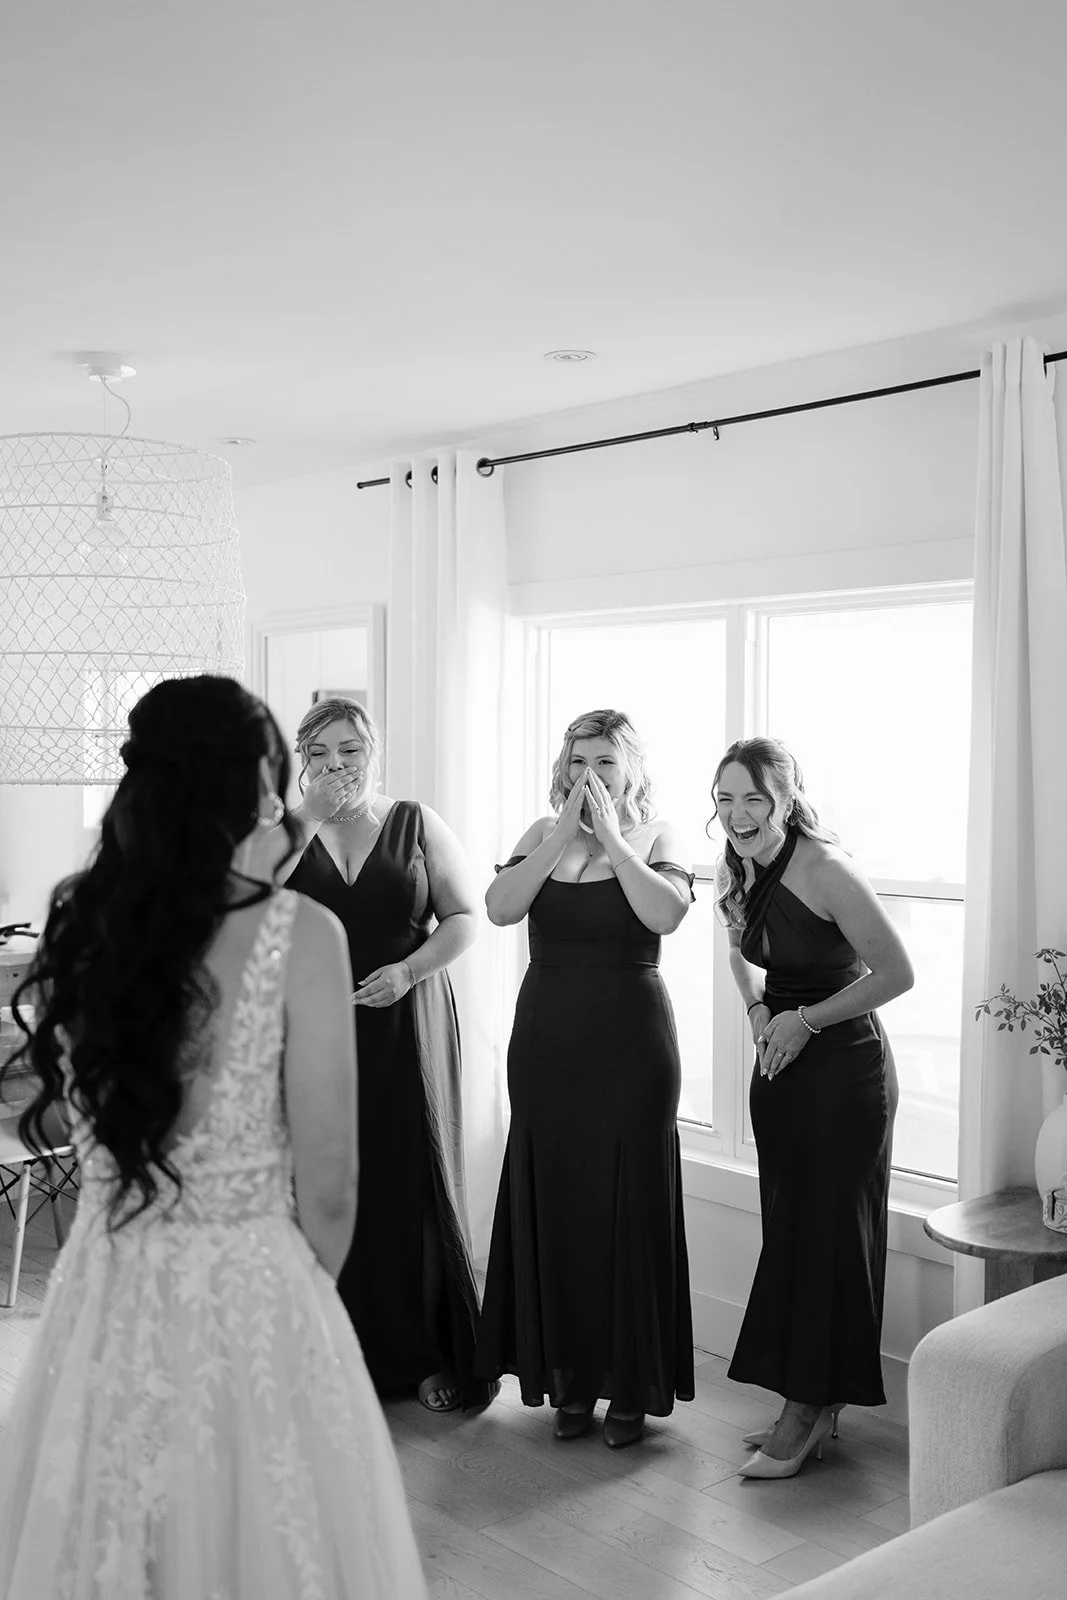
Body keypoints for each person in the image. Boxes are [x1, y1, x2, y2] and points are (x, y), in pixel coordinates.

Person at [0, 675, 428, 1600]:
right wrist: (300, 1316)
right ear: (251, 787)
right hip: (250, 1280)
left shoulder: (83, 922)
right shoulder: (298, 933)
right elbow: (331, 1188)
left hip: (105, 1281)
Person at [475, 708, 695, 1448]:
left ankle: (628, 1388)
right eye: (577, 762)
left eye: (603, 762)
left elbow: (664, 916)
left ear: (629, 767)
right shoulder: (539, 835)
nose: (588, 776)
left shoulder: (657, 836)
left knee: (625, 1204)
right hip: (545, 1038)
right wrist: (562, 835)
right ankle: (568, 1381)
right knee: (559, 1199)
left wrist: (607, 839)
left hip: (630, 1040)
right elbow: (500, 909)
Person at [273, 696, 488, 1413]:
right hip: (311, 1029)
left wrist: (408, 972)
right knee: (324, 1179)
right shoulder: (281, 834)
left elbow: (464, 918)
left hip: (406, 1022)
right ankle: (327, 1350)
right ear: (301, 761)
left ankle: (423, 1355)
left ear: (375, 751)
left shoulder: (415, 822)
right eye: (320, 754)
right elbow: (240, 908)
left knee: (407, 1181)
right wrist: (302, 818)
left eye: (351, 752)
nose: (337, 767)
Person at [711, 736, 913, 1480]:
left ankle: (807, 1412)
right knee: (794, 1235)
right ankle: (809, 1402)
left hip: (842, 1073)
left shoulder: (825, 870)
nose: (737, 814)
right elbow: (735, 946)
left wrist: (804, 1021)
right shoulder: (741, 864)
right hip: (784, 1063)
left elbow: (897, 973)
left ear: (787, 799)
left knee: (827, 1239)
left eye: (753, 798)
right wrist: (758, 1009)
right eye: (725, 798)